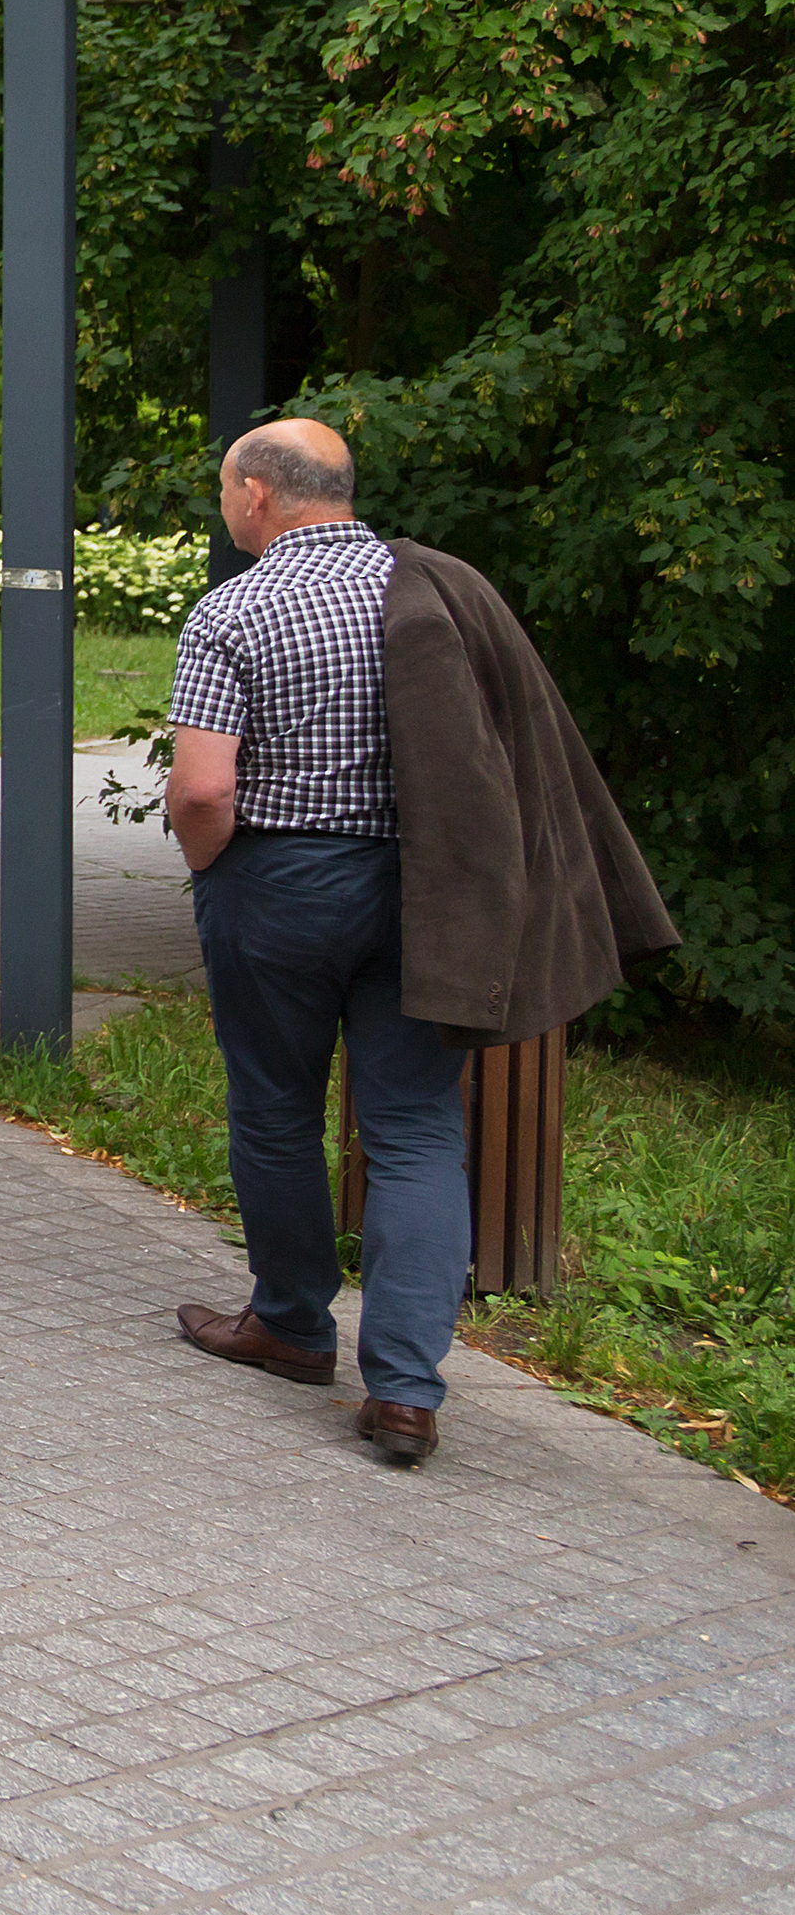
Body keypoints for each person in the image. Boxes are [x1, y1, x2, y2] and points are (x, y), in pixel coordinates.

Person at [160, 419, 677, 1465]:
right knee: (413, 1130)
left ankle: (294, 1326)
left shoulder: (235, 608)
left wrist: (217, 868)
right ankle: (403, 1390)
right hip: (431, 892)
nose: (226, 507)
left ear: (257, 495)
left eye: (226, 490)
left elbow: (203, 787)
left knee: (273, 1113)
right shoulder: (438, 589)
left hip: (279, 883)